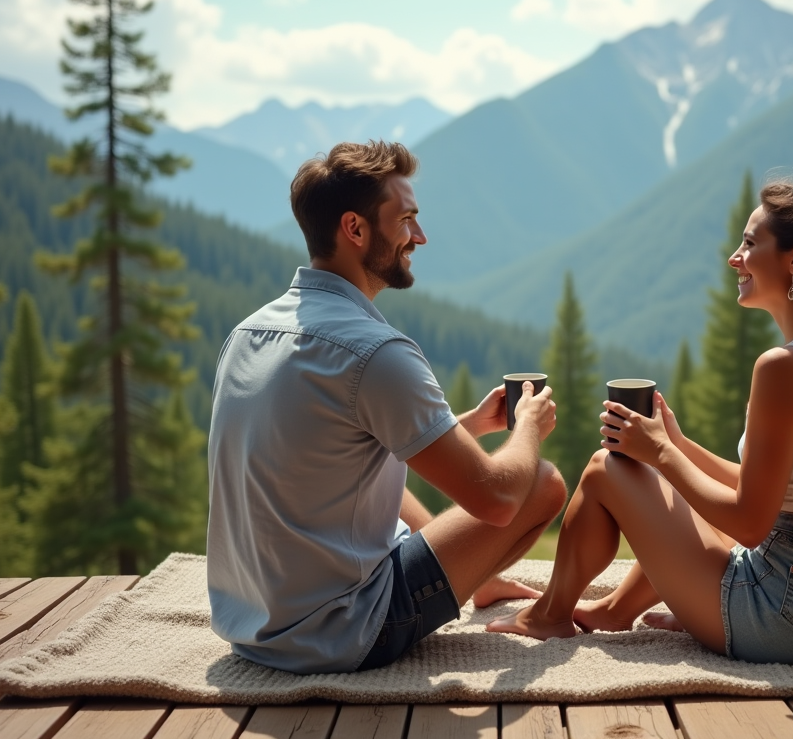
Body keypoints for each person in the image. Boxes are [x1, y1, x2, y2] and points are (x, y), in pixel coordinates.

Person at [488, 182, 793, 665]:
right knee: (662, 482)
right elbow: (773, 492)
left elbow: (751, 524)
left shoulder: (785, 367)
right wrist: (679, 444)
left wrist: (661, 455)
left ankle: (549, 615)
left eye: (751, 244)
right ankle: (612, 610)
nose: (735, 257)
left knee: (608, 467)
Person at [207, 140, 566, 674]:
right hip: (342, 630)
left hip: (250, 624)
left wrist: (459, 427)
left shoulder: (249, 333)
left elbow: (333, 454)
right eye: (406, 220)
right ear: (355, 229)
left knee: (394, 481)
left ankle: (478, 578)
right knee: (541, 481)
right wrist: (527, 427)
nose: (419, 237)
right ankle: (468, 576)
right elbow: (497, 501)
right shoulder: (376, 353)